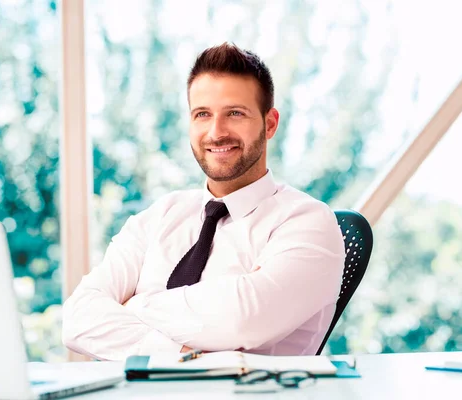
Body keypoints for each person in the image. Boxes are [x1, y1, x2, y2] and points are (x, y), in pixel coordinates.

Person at [62, 42, 345, 361]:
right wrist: (179, 357)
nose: (216, 132)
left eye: (235, 113)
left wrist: (133, 306)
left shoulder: (308, 221)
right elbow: (77, 319)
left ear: (269, 123)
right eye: (202, 114)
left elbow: (244, 320)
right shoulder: (163, 214)